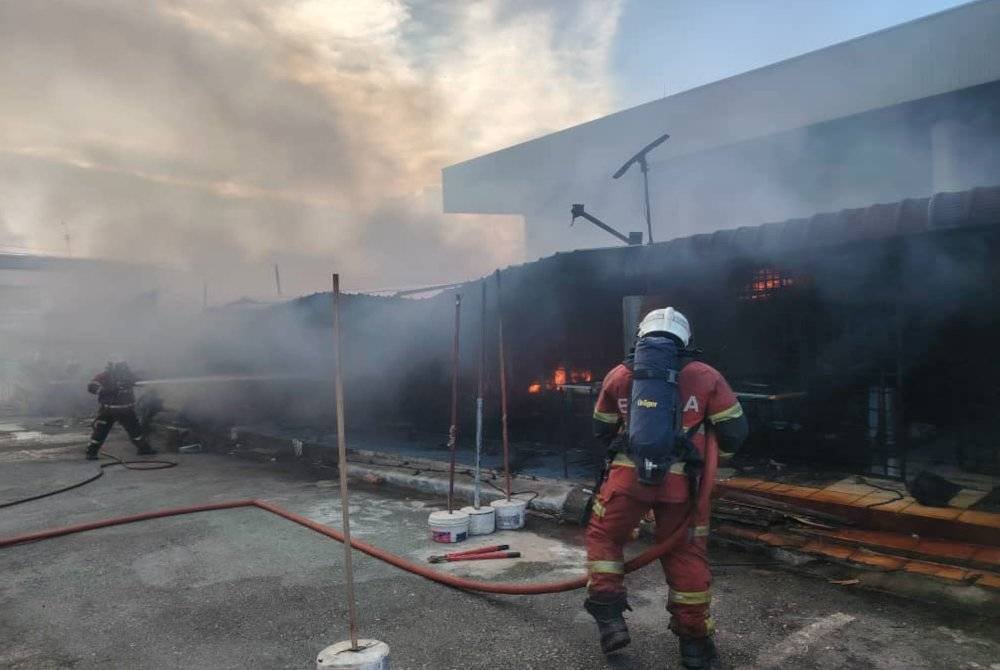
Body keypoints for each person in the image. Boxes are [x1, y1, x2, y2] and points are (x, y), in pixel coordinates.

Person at [584, 307, 748, 669]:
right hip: (684, 489)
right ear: (686, 340)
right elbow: (736, 433)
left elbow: (601, 429)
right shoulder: (705, 376)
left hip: (627, 483)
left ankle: (610, 616)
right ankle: (695, 648)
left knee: (605, 537)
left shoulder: (620, 375)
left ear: (641, 337)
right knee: (685, 554)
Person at [85, 357, 156, 460]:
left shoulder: (129, 376)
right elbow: (91, 387)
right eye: (119, 366)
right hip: (108, 410)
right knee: (100, 433)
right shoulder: (104, 376)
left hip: (126, 410)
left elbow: (142, 382)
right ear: (112, 366)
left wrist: (139, 381)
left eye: (123, 366)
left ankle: (144, 449)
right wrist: (111, 389)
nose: (122, 368)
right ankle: (91, 453)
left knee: (136, 432)